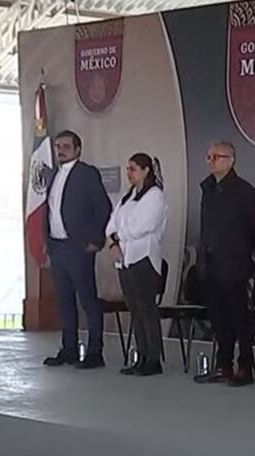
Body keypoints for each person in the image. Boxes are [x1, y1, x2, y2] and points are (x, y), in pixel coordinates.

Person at [193, 141, 255, 387]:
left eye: (217, 156)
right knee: (218, 318)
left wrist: (238, 250)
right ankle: (224, 364)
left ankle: (245, 366)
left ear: (231, 160)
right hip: (210, 263)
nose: (211, 161)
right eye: (208, 156)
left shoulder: (245, 192)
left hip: (234, 264)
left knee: (239, 318)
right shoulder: (208, 189)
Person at [42, 130, 112, 369]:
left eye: (66, 146)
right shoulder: (53, 174)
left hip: (78, 247)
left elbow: (103, 208)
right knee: (64, 301)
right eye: (58, 146)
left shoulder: (86, 173)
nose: (60, 150)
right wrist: (47, 241)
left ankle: (95, 352)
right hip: (57, 246)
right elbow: (50, 210)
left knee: (88, 300)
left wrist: (95, 240)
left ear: (78, 150)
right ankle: (69, 348)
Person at [106, 153, 168, 377]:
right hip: (125, 259)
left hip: (144, 258)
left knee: (147, 308)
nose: (128, 173)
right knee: (134, 309)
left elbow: (142, 225)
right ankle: (141, 355)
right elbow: (112, 223)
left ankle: (153, 358)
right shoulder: (127, 196)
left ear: (145, 171)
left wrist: (120, 235)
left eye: (133, 168)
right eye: (127, 168)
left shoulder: (155, 196)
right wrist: (114, 242)